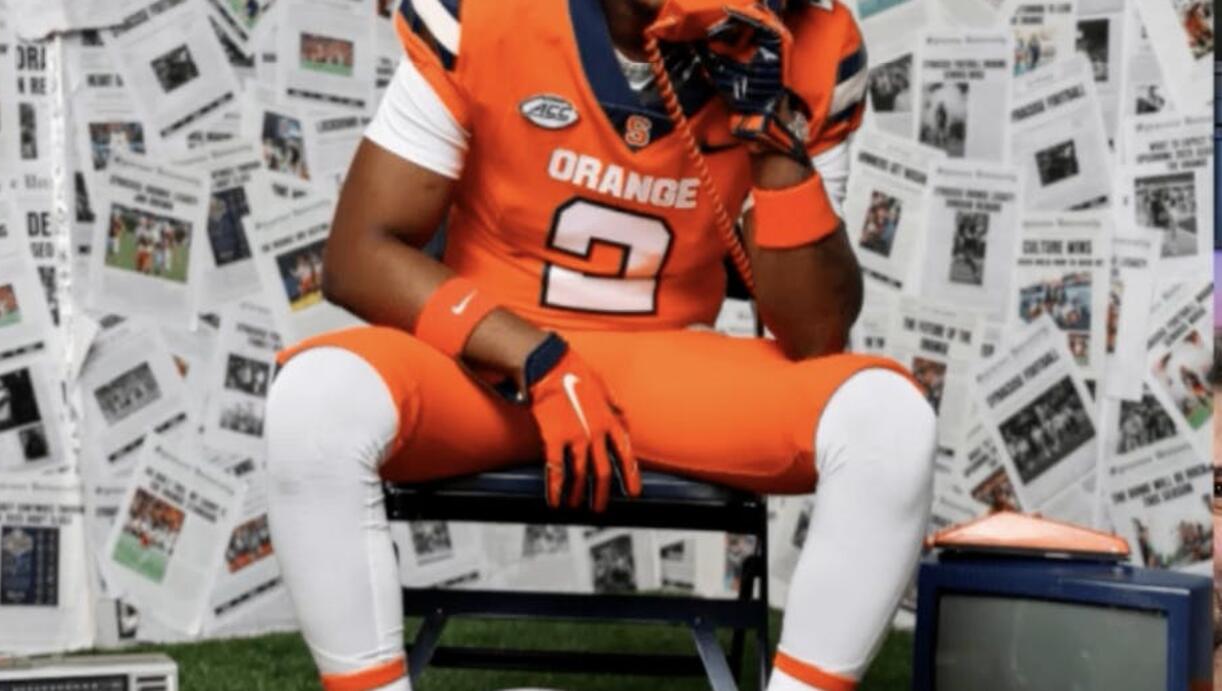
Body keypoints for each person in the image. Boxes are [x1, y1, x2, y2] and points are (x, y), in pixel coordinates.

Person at [264, 2, 936, 691]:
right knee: (313, 403)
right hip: (490, 363)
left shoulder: (808, 38)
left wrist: (773, 141)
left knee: (888, 421)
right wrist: (535, 357)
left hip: (667, 365)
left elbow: (817, 335)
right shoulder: (492, 14)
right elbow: (357, 254)